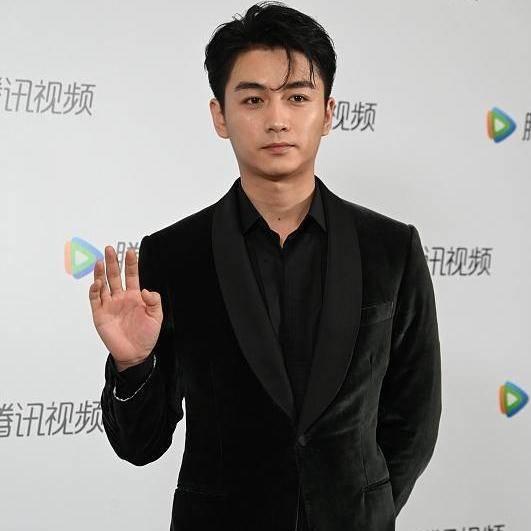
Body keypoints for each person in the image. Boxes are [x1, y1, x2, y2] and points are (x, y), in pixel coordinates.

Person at [89, 2, 442, 530]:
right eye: (253, 99)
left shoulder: (391, 248)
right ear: (220, 116)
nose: (277, 119)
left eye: (297, 97)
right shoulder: (173, 254)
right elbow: (141, 444)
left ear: (328, 113)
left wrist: (365, 508)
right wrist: (133, 364)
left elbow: (414, 415)